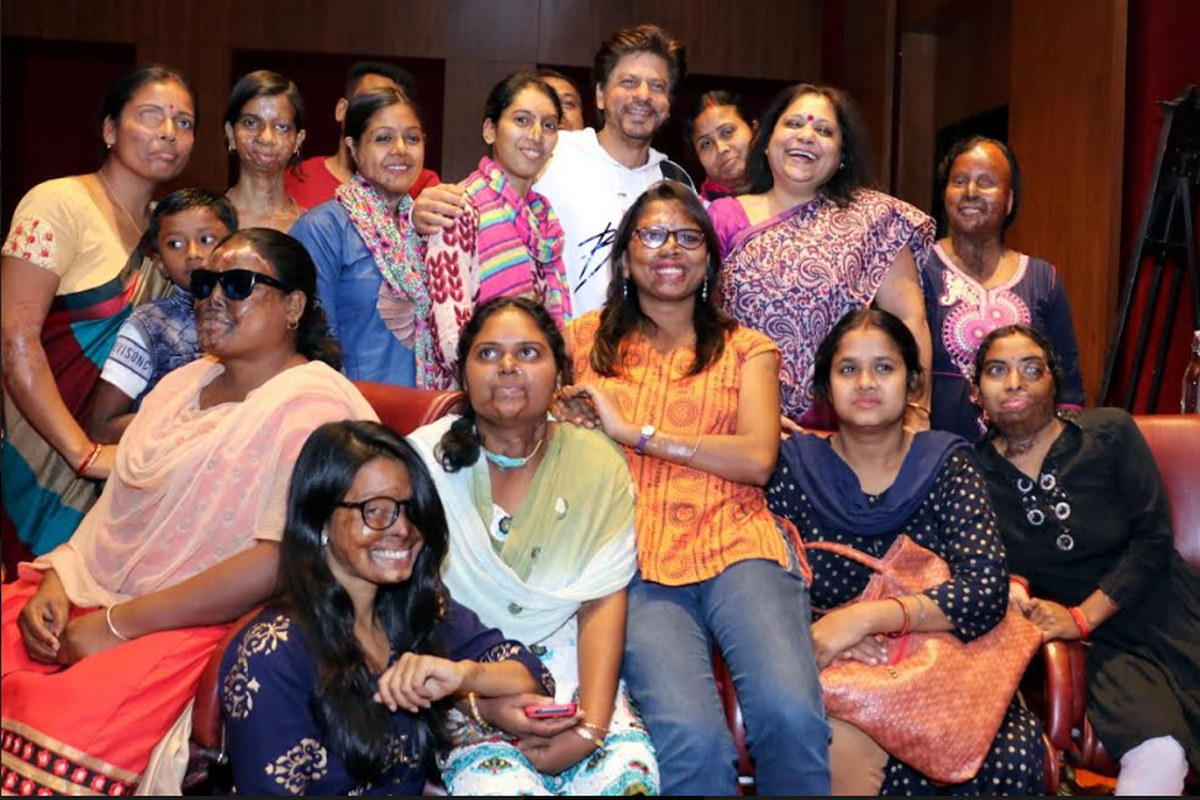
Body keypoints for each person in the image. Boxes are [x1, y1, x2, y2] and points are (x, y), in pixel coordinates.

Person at [0, 228, 378, 795]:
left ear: (294, 307)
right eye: (204, 284)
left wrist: (117, 625)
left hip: (200, 622)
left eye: (238, 284)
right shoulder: (181, 384)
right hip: (101, 593)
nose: (213, 298)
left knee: (62, 719)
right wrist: (60, 579)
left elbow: (279, 561)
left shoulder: (313, 407)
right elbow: (119, 509)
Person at [557, 181, 828, 795]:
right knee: (693, 742)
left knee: (790, 715)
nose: (670, 249)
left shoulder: (747, 349)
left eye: (687, 236)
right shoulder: (580, 342)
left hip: (739, 546)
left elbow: (757, 460)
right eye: (652, 235)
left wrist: (636, 433)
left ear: (708, 260)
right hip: (633, 560)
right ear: (625, 257)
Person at [765, 308, 1044, 795]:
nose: (866, 382)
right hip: (837, 678)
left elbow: (984, 590)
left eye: (884, 367)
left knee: (1009, 757)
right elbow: (763, 583)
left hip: (949, 676)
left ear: (913, 382)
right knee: (824, 747)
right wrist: (820, 634)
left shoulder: (947, 464)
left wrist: (863, 619)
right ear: (825, 387)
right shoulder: (792, 468)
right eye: (848, 369)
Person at [220, 420, 555, 796]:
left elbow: (532, 674)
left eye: (412, 509)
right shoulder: (272, 653)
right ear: (321, 519)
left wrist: (463, 677)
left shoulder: (415, 608)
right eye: (376, 511)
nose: (403, 529)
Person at [408, 297, 659, 795]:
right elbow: (407, 608)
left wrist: (590, 728)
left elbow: (603, 599)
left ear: (559, 372)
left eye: (528, 352)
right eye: (488, 353)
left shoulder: (596, 463)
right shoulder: (421, 464)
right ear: (463, 376)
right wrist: (480, 702)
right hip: (461, 681)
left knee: (626, 780)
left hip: (574, 672)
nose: (507, 366)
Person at [973, 325, 1199, 796]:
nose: (1014, 382)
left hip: (1170, 611)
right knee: (1157, 750)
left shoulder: (1110, 433)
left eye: (1031, 369)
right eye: (997, 371)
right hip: (1101, 650)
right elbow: (983, 560)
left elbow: (1154, 539)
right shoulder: (971, 472)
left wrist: (1081, 617)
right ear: (977, 392)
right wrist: (1016, 591)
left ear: (1054, 381)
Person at [1, 66, 197, 574]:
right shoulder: (57, 204)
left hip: (122, 460)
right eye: (150, 116)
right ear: (110, 129)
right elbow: (14, 339)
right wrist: (82, 454)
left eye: (183, 122)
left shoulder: (169, 234)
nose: (168, 133)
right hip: (43, 448)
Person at [415, 24, 695, 317]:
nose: (643, 95)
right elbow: (482, 198)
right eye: (629, 82)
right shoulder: (552, 150)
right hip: (552, 340)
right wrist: (420, 210)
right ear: (600, 94)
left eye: (657, 86)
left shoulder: (675, 181)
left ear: (669, 105)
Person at [708, 83, 934, 430]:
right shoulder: (724, 217)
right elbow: (701, 324)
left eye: (824, 130)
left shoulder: (874, 219)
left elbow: (909, 318)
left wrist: (916, 410)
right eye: (793, 124)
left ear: (842, 154)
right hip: (745, 422)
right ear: (766, 141)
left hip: (847, 428)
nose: (806, 136)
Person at [290, 87, 468, 388]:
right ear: (353, 148)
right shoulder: (323, 229)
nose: (400, 149)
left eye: (412, 138)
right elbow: (314, 345)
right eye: (383, 138)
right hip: (352, 407)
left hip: (429, 409)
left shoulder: (430, 228)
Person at [925, 137, 1085, 441]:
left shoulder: (1043, 279)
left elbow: (1068, 392)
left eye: (986, 183)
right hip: (936, 456)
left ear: (1009, 200)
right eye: (959, 181)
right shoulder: (918, 270)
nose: (971, 192)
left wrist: (1059, 456)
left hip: (1023, 457)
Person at [88, 188, 238, 443]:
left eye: (206, 239)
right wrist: (192, 423)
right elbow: (103, 428)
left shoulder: (254, 314)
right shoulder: (149, 326)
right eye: (175, 244)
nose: (192, 253)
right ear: (160, 264)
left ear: (234, 248)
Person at [424, 73, 571, 331]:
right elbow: (449, 333)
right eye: (522, 120)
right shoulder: (459, 208)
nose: (537, 135)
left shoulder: (543, 219)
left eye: (549, 125)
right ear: (490, 131)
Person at [285, 61, 440, 209]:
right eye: (368, 102)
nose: (382, 113)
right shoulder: (296, 179)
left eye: (391, 102)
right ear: (342, 109)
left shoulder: (421, 183)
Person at [223, 70, 308, 232]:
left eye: (281, 127)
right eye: (251, 123)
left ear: (298, 140)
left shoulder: (312, 228)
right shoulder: (208, 221)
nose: (266, 138)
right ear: (231, 133)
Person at [685, 90, 757, 202]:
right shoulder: (699, 211)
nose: (720, 148)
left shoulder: (786, 186)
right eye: (706, 143)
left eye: (727, 132)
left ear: (755, 130)